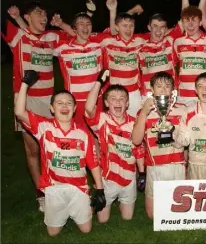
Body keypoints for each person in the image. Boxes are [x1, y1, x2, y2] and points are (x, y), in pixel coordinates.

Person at [2, 0, 74, 212]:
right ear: (26, 17)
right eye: (38, 13)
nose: (43, 17)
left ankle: (58, 185)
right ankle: (42, 194)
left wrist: (61, 24)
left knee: (51, 146)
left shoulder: (52, 37)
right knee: (32, 148)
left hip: (50, 102)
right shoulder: (17, 36)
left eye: (44, 13)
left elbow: (77, 38)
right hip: (27, 101)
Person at [14, 70, 105, 236]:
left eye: (69, 103)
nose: (64, 106)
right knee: (53, 233)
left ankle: (78, 206)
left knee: (86, 230)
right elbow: (20, 112)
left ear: (75, 108)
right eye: (59, 103)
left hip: (79, 187)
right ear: (51, 108)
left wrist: (100, 190)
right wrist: (25, 83)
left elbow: (93, 163)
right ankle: (64, 210)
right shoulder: (43, 127)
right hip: (54, 187)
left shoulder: (83, 133)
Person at [84, 70, 145, 223]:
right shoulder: (102, 120)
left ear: (128, 103)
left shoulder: (134, 123)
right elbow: (88, 109)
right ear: (106, 103)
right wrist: (99, 82)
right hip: (108, 179)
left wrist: (142, 173)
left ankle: (122, 200)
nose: (118, 102)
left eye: (122, 99)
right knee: (103, 221)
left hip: (128, 178)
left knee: (127, 218)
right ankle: (102, 195)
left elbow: (138, 150)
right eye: (113, 99)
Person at [131, 72, 186, 219]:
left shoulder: (182, 109)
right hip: (155, 165)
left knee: (179, 212)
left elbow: (187, 139)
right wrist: (143, 112)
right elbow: (136, 140)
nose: (163, 90)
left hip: (177, 164)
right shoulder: (144, 111)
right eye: (159, 86)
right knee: (152, 215)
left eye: (167, 86)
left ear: (173, 90)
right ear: (152, 89)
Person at [102, 0, 148, 117]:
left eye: (131, 26)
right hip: (115, 94)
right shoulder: (108, 41)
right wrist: (113, 11)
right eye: (125, 26)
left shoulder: (139, 40)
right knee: (116, 126)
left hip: (133, 93)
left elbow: (159, 34)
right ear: (117, 27)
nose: (128, 29)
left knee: (136, 124)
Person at [173, 6, 206, 105]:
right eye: (186, 21)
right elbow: (173, 66)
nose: (190, 24)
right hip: (183, 97)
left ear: (200, 22)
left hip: (205, 96)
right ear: (182, 23)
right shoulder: (177, 42)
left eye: (194, 20)